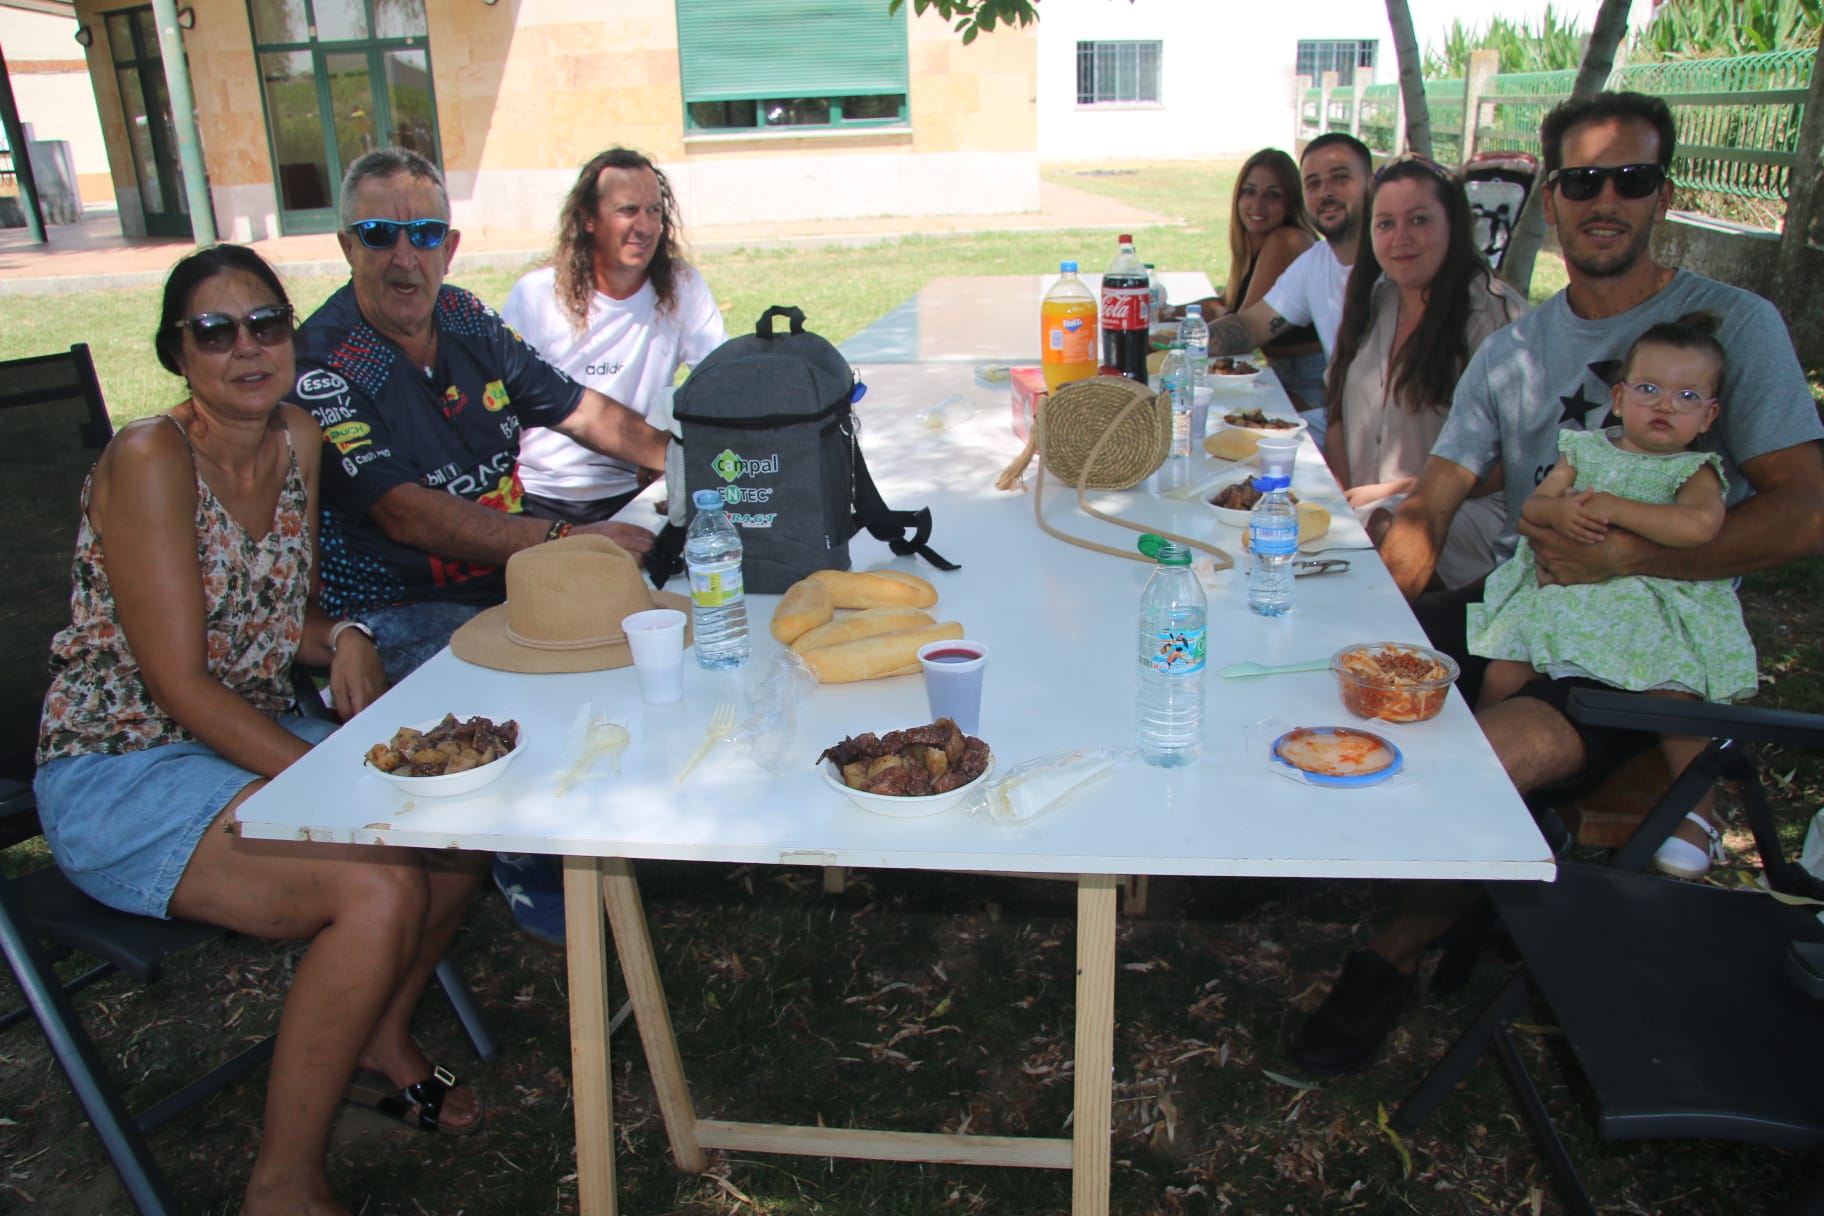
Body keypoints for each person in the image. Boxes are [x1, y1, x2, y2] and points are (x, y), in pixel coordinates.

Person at [1290, 91, 1824, 1077]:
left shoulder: (1732, 328)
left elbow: (1805, 507)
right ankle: (1414, 878)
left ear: (1665, 193)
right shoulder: (1517, 350)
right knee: (1334, 676)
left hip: (1647, 642)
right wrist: (1379, 598)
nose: (1605, 199)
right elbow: (1435, 503)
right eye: (1583, 180)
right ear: (1554, 194)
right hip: (1525, 609)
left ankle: (1391, 954)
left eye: (1632, 178)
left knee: (1480, 758)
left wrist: (1636, 556)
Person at [33, 245, 485, 1215]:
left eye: (266, 324)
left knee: (455, 823)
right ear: (177, 354)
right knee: (373, 879)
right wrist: (333, 783)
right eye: (214, 331)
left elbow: (276, 613)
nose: (247, 347)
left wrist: (347, 634)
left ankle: (380, 1030)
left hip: (240, 725)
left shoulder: (297, 438)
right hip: (124, 767)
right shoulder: (152, 458)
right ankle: (280, 1183)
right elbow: (179, 682)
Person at [294, 147, 671, 687]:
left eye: (424, 234)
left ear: (448, 249)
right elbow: (403, 511)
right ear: (347, 247)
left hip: (513, 583)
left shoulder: (464, 316)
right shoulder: (323, 361)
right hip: (401, 613)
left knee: (656, 622)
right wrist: (564, 536)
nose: (405, 256)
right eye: (379, 234)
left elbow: (579, 409)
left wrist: (682, 460)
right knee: (587, 672)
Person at [1471, 313, 1756, 877]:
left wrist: (1616, 510)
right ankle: (1484, 782)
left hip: (1650, 603)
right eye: (1649, 389)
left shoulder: (1691, 470)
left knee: (1676, 692)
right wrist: (1561, 511)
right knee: (1504, 668)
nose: (1666, 405)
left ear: (1709, 415)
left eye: (1687, 395)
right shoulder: (1587, 449)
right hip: (1566, 597)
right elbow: (1534, 508)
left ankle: (1695, 814)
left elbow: (1700, 527)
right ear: (1620, 399)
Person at [1322, 156, 1526, 588]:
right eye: (1385, 224)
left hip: (1459, 511)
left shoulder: (1491, 314)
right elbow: (1337, 409)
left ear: (1453, 225)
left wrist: (1391, 492)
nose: (1402, 239)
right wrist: (1338, 492)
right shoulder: (1376, 301)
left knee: (1381, 532)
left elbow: (1509, 461)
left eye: (1419, 220)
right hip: (1371, 507)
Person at [502, 147, 726, 524]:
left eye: (654, 211)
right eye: (627, 211)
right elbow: (499, 405)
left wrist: (671, 451)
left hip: (639, 492)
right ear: (588, 219)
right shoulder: (536, 294)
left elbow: (720, 384)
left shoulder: (681, 284)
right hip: (545, 496)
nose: (644, 226)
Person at [1201, 132, 1376, 443]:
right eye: (1314, 183)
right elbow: (1250, 325)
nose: (1326, 193)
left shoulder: (1394, 264)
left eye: (1339, 178)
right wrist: (1180, 344)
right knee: (1221, 438)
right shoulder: (1315, 263)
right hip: (1337, 422)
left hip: (1376, 436)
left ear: (1371, 184)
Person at [1161, 148, 1326, 410]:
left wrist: (1168, 344)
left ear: (1291, 202)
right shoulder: (1255, 244)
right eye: (1249, 191)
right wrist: (1167, 312)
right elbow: (1222, 303)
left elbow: (1241, 324)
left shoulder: (1286, 240)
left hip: (1306, 385)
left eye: (1272, 195)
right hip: (1282, 374)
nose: (1257, 205)